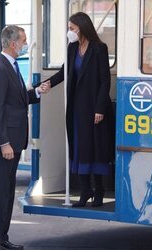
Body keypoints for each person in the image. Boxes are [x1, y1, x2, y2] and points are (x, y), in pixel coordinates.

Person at [0, 25, 50, 250]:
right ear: (13, 44)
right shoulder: (0, 69)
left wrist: (37, 92)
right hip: (6, 143)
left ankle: (1, 237)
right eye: (23, 41)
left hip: (14, 141)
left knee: (7, 192)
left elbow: (17, 100)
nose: (25, 44)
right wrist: (3, 143)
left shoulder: (10, 66)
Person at [44, 12, 114, 208]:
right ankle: (85, 190)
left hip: (95, 107)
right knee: (79, 147)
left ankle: (99, 190)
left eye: (72, 28)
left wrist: (100, 108)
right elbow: (63, 73)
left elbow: (104, 80)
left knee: (96, 148)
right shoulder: (72, 47)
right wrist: (44, 84)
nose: (69, 32)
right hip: (77, 108)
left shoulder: (99, 49)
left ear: (82, 28)